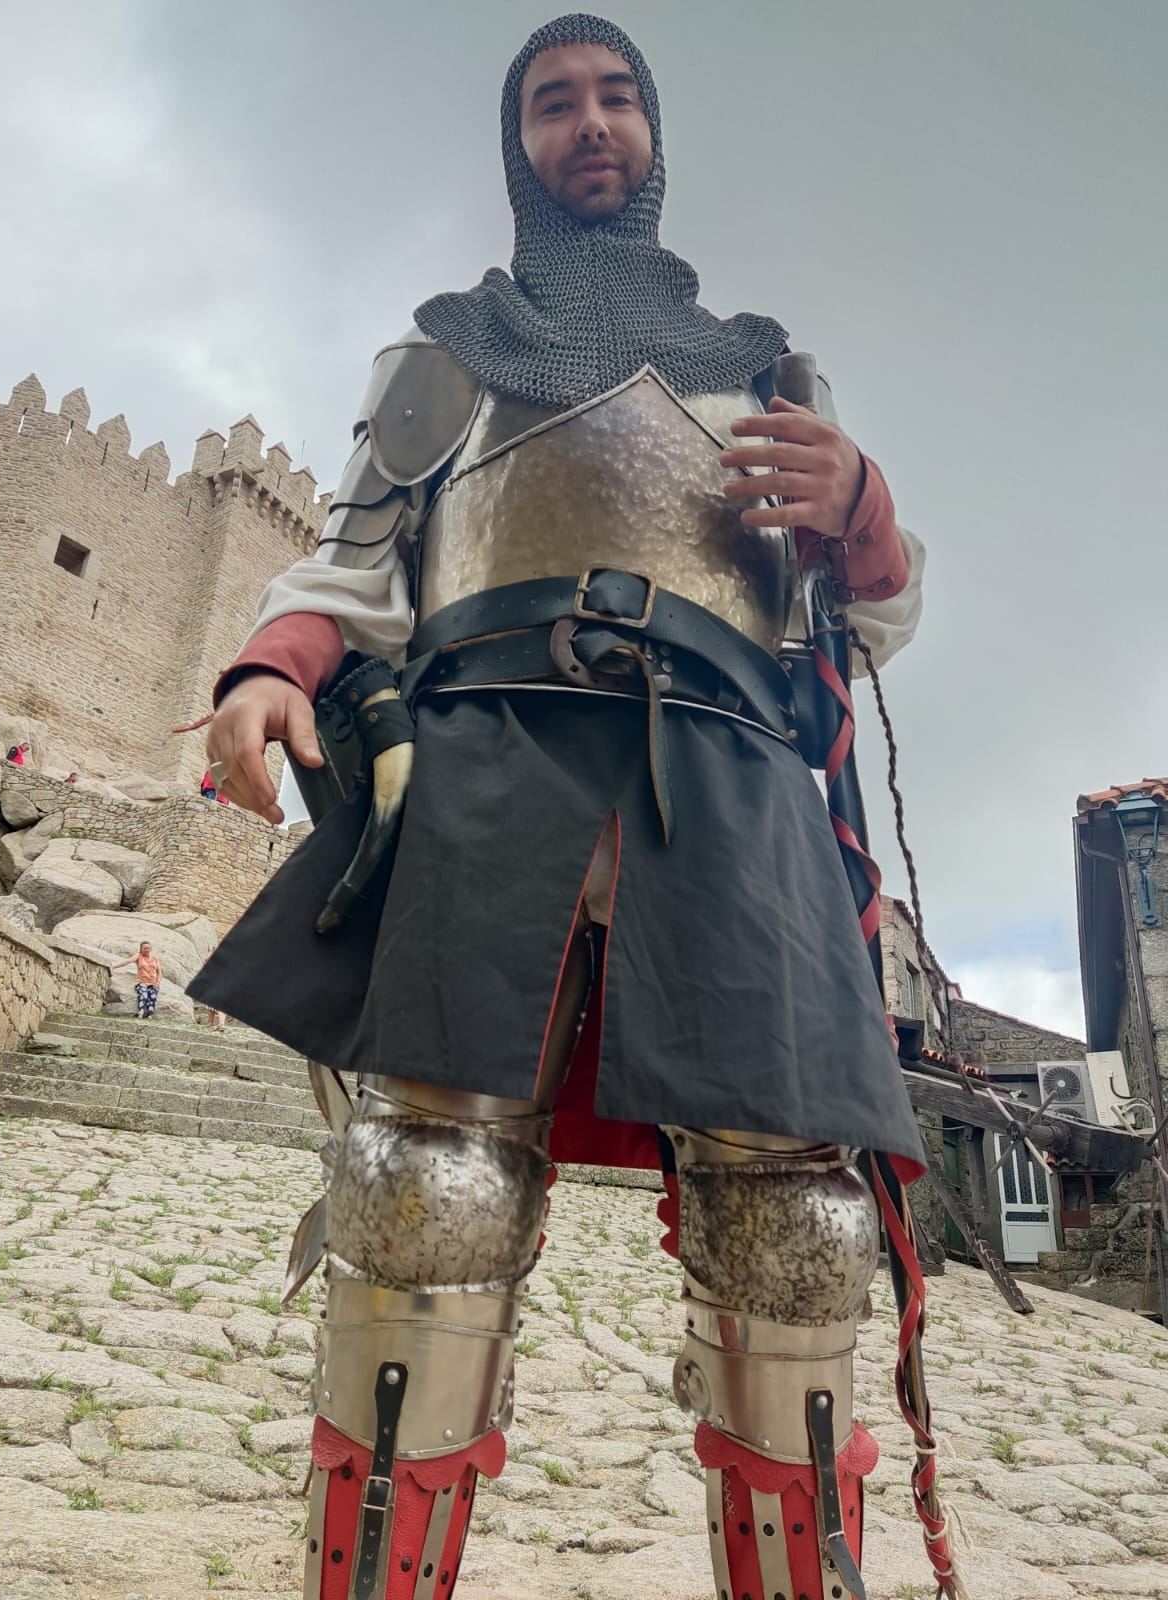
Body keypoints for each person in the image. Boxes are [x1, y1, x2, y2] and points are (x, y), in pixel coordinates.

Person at [192, 17, 960, 1599]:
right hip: (494, 756)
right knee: (424, 1192)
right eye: (554, 102)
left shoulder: (772, 374)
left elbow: (862, 624)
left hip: (727, 778)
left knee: (798, 1229)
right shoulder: (447, 357)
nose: (589, 123)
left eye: (614, 97)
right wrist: (271, 667)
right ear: (519, 143)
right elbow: (356, 573)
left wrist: (864, 512)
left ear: (653, 132)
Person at [114, 941, 161, 1020]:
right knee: (144, 994)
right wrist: (114, 967)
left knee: (152, 997)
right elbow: (127, 962)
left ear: (150, 949)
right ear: (141, 949)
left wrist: (158, 982)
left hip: (153, 982)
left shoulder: (155, 958)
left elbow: (159, 972)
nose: (146, 950)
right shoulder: (139, 956)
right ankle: (141, 1014)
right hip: (141, 982)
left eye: (148, 948)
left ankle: (150, 1015)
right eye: (144, 948)